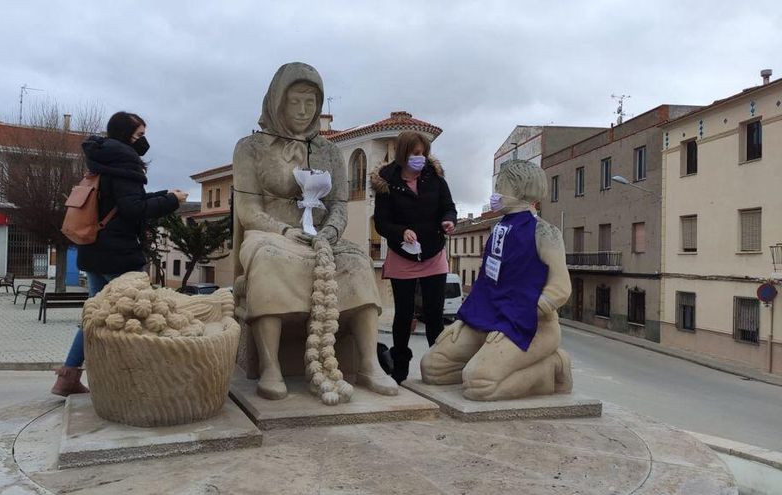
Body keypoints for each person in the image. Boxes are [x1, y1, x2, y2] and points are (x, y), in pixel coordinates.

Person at [232, 62, 398, 400]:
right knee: (268, 260)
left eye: (311, 102)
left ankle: (369, 363)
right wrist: (283, 230)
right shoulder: (250, 147)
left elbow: (338, 204)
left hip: (320, 236)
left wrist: (331, 232)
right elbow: (248, 210)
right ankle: (271, 366)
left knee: (358, 261)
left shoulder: (328, 150)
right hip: (269, 234)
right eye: (294, 101)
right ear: (277, 101)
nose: (303, 110)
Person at [50, 111, 187, 396]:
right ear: (126, 135)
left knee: (93, 316)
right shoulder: (125, 163)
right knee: (141, 313)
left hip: (94, 251)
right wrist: (171, 203)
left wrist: (165, 194)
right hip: (119, 256)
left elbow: (126, 200)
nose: (144, 141)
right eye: (139, 135)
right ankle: (137, 382)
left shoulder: (103, 161)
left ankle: (68, 376)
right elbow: (133, 209)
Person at [420, 159, 573, 400]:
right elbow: (486, 280)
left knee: (479, 385)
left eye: (501, 187)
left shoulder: (545, 232)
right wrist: (464, 318)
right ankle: (489, 366)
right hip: (486, 318)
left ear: (521, 189)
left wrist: (519, 317)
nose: (496, 194)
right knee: (432, 368)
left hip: (528, 324)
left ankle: (552, 368)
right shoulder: (499, 230)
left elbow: (560, 288)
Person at [371, 131, 457, 384]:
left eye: (424, 153)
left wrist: (448, 221)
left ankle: (437, 366)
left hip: (433, 253)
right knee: (403, 315)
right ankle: (399, 369)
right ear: (403, 154)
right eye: (416, 153)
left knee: (434, 315)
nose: (421, 158)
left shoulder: (435, 178)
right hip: (402, 255)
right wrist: (401, 232)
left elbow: (449, 207)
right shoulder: (387, 183)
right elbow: (381, 223)